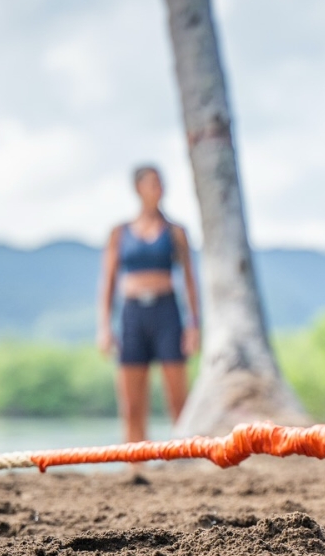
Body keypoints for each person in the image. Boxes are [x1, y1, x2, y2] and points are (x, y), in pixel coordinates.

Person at [97, 165, 201, 443]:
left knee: (178, 397)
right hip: (132, 313)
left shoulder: (175, 232)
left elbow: (190, 280)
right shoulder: (120, 233)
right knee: (132, 403)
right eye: (152, 183)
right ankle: (136, 463)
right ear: (138, 188)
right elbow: (108, 281)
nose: (158, 188)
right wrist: (105, 327)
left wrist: (193, 325)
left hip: (167, 311)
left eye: (160, 183)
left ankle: (182, 455)